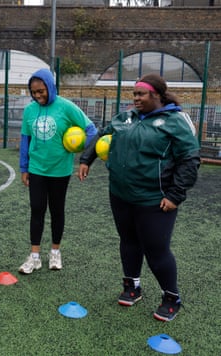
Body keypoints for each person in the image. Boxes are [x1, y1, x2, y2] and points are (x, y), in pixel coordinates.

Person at [79, 73, 200, 322]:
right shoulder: (126, 117)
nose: (135, 98)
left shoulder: (174, 121)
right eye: (134, 94)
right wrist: (86, 159)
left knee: (157, 250)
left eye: (141, 94)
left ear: (156, 95)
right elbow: (103, 133)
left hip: (154, 199)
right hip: (121, 194)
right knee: (128, 241)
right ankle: (132, 286)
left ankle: (171, 297)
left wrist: (176, 195)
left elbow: (189, 160)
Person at [18, 68, 97, 274]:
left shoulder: (66, 107)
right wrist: (24, 167)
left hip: (60, 170)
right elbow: (25, 139)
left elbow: (92, 130)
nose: (38, 96)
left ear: (50, 87)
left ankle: (55, 252)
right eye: (34, 92)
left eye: (41, 91)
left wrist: (79, 149)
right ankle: (34, 257)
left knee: (56, 210)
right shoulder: (29, 110)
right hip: (36, 169)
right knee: (37, 209)